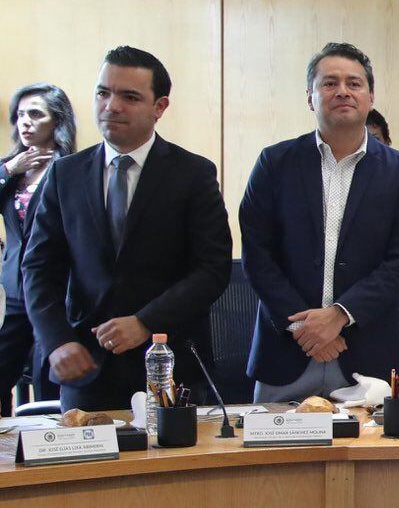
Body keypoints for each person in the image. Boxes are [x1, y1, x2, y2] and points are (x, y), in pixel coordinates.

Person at [22, 47, 231, 412]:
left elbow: (212, 270)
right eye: (103, 92)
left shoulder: (193, 174)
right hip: (87, 367)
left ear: (160, 107)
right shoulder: (65, 174)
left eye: (129, 97)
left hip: (170, 368)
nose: (111, 106)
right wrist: (55, 341)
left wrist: (145, 323)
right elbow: (39, 267)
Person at [238, 43, 399, 403]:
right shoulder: (274, 164)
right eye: (329, 83)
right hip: (286, 351)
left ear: (370, 97)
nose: (342, 91)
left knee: (374, 456)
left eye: (354, 83)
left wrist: (340, 315)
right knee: (274, 456)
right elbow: (257, 254)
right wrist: (303, 326)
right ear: (311, 98)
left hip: (368, 353)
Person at [0, 83, 76, 414]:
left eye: (35, 114)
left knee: (49, 376)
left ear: (56, 121)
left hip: (55, 291)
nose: (25, 123)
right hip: (13, 290)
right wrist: (8, 171)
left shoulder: (71, 168)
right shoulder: (8, 168)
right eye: (19, 115)